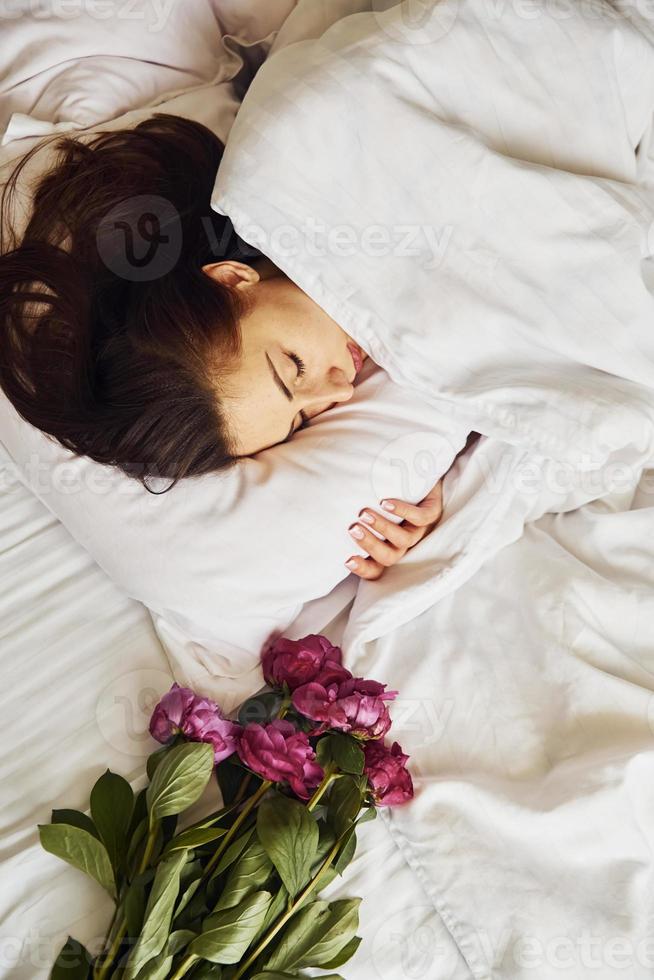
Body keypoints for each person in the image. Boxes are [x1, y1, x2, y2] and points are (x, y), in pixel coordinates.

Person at [0, 114, 444, 580]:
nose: (341, 392)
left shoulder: (313, 163)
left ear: (232, 279)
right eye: (302, 420)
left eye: (293, 366)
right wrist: (431, 470)